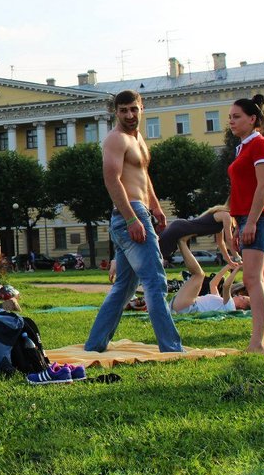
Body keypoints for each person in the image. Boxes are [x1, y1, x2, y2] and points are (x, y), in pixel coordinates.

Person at [84, 90, 183, 353]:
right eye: (123, 110)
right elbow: (112, 180)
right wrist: (131, 218)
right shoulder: (115, 140)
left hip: (139, 211)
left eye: (133, 109)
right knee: (155, 281)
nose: (129, 115)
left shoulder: (138, 138)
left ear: (141, 108)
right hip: (129, 214)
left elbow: (143, 176)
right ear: (115, 112)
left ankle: (94, 346)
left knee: (124, 288)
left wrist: (157, 207)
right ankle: (172, 349)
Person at [227, 94, 264, 352]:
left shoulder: (260, 145)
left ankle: (257, 342)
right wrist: (237, 222)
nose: (231, 122)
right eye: (230, 118)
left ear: (252, 119)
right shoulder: (243, 147)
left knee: (253, 279)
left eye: (237, 117)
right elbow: (241, 189)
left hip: (260, 216)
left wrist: (252, 222)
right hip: (247, 216)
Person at [170, 238, 248, 314]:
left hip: (188, 307)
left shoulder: (230, 307)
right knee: (198, 275)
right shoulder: (220, 302)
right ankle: (181, 242)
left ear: (242, 306)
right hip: (184, 304)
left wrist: (236, 270)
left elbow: (226, 286)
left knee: (199, 275)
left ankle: (182, 242)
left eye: (243, 298)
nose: (240, 295)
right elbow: (213, 284)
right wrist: (228, 267)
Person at [158, 204, 236, 264]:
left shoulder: (221, 217)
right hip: (180, 229)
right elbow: (229, 239)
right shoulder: (226, 215)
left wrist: (229, 260)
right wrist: (237, 257)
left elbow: (221, 242)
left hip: (180, 228)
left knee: (158, 254)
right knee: (157, 255)